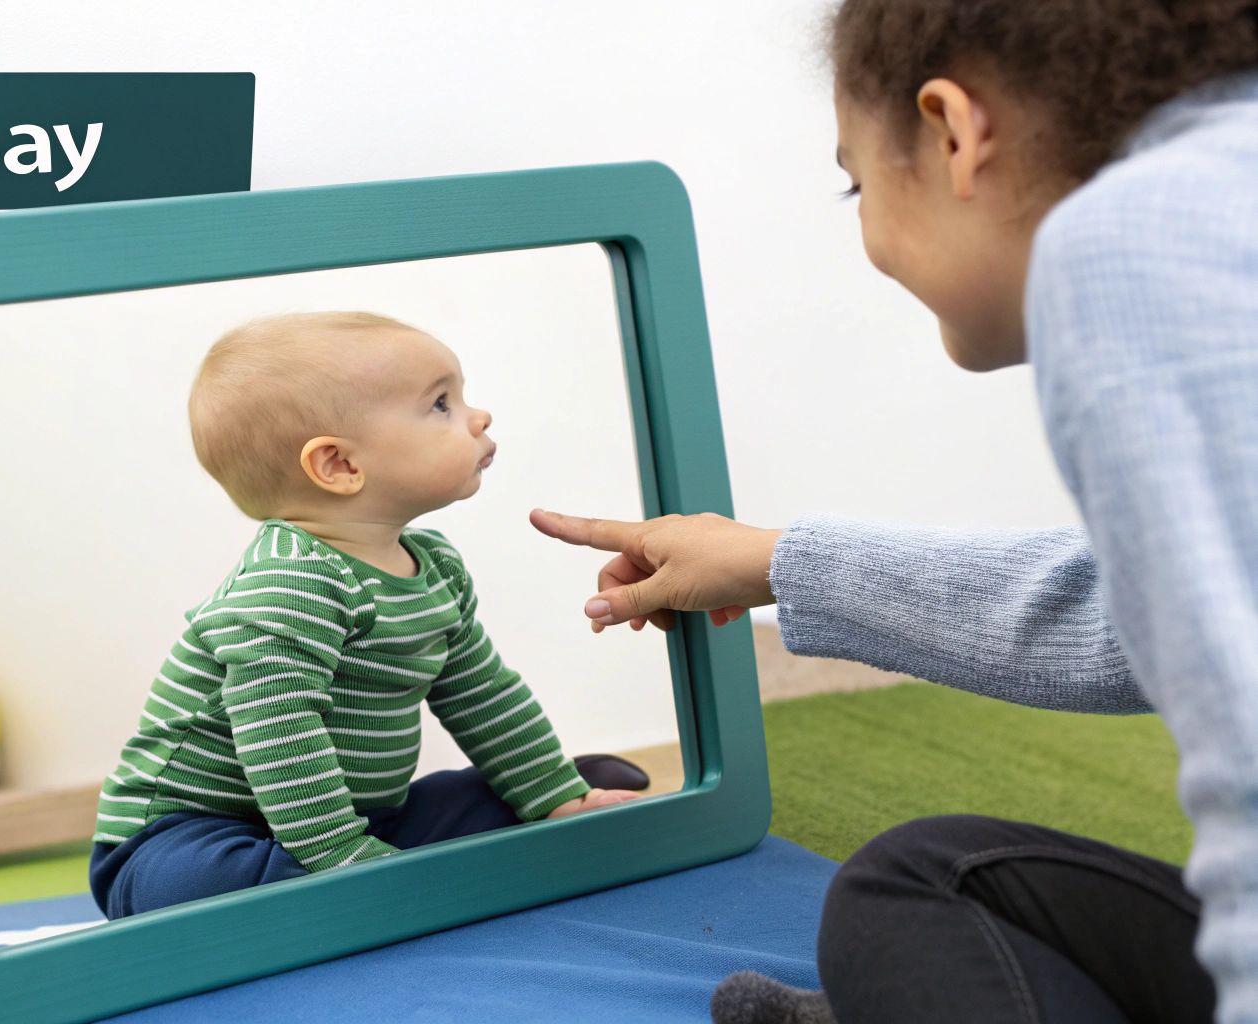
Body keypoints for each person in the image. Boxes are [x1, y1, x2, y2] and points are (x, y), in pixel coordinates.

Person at [533, 2, 1258, 1021]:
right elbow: (1136, 611)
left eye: (854, 179)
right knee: (927, 875)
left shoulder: (1141, 236)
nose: (865, 221)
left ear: (952, 130)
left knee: (897, 898)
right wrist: (775, 561)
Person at [89, 312, 642, 919]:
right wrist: (345, 860)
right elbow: (281, 734)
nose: (478, 416)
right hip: (187, 832)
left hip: (351, 814)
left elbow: (482, 693)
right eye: (440, 404)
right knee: (185, 888)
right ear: (340, 466)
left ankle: (546, 793)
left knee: (443, 810)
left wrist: (553, 792)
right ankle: (343, 873)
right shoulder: (287, 583)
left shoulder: (434, 567)